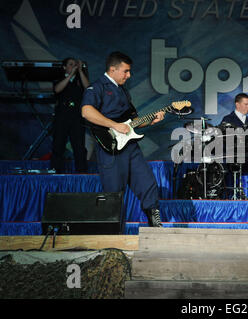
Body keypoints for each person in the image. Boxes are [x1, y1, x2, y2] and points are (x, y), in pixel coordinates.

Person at [81, 52, 165, 227]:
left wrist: (151, 120)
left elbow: (131, 124)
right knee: (114, 192)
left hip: (130, 146)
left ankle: (155, 222)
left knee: (147, 182)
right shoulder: (97, 87)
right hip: (110, 148)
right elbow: (86, 111)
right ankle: (113, 233)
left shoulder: (123, 91)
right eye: (125, 71)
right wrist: (113, 125)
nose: (129, 75)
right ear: (113, 69)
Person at [51, 57, 89, 173]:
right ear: (64, 67)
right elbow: (57, 89)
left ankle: (81, 173)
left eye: (75, 64)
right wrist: (70, 75)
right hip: (62, 116)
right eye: (71, 64)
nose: (74, 66)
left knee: (79, 147)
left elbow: (88, 88)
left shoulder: (79, 80)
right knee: (58, 145)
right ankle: (56, 172)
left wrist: (81, 71)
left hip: (76, 116)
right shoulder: (59, 79)